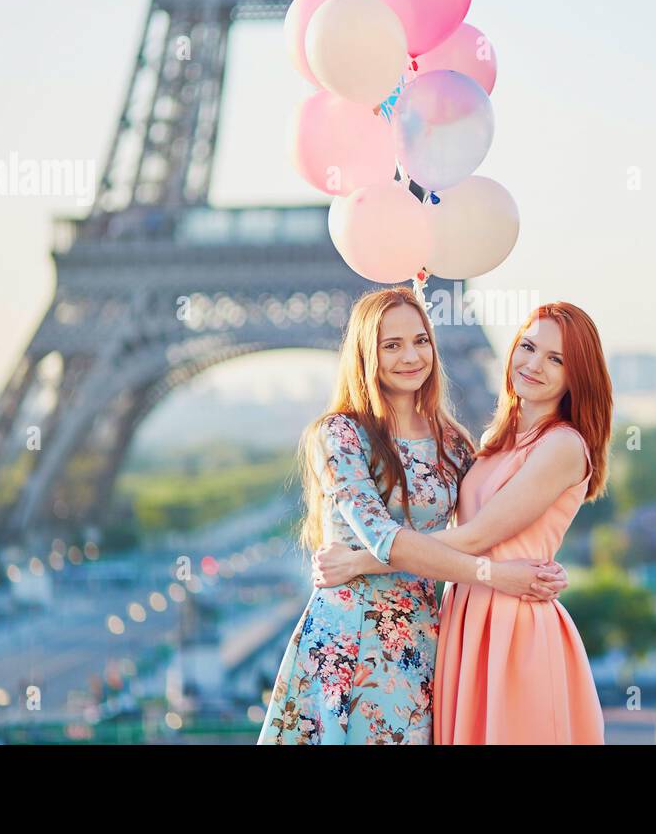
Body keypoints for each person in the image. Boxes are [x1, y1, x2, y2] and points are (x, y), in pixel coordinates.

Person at [258, 287, 568, 745]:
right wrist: (497, 575)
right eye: (392, 345)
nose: (411, 356)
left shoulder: (453, 441)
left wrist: (540, 548)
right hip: (355, 638)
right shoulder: (339, 435)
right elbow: (386, 539)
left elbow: (486, 517)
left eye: (421, 340)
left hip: (425, 637)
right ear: (366, 354)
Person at [315, 301, 612, 744]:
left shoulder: (562, 446)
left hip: (513, 621)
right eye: (528, 347)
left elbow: (474, 536)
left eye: (557, 359)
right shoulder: (496, 440)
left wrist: (360, 562)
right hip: (465, 617)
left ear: (578, 376)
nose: (534, 365)